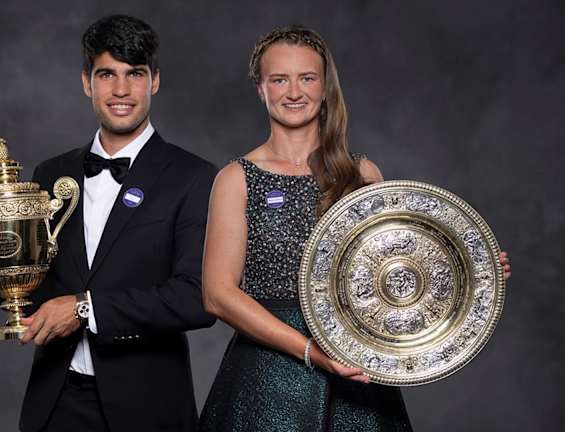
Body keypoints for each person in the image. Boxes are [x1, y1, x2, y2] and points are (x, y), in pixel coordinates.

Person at [198, 25, 512, 431]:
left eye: (307, 78)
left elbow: (396, 268)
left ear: (326, 87)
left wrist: (472, 270)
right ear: (261, 88)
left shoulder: (361, 173)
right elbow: (218, 295)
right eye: (279, 79)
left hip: (356, 375)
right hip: (266, 376)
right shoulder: (236, 178)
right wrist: (312, 351)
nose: (294, 91)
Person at [0, 15, 217, 432]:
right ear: (87, 82)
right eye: (107, 74)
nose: (121, 90)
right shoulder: (50, 173)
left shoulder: (193, 177)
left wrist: (86, 310)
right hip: (56, 403)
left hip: (148, 407)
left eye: (134, 74)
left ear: (155, 81)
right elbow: (31, 295)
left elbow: (196, 298)